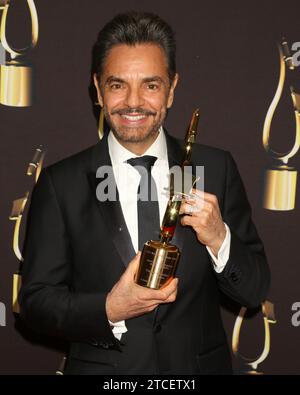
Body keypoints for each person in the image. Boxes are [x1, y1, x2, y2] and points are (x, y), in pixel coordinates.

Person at [19, 11, 270, 375]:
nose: (133, 102)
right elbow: (36, 303)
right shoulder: (62, 184)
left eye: (150, 85)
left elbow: (254, 289)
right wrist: (109, 308)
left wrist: (220, 239)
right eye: (118, 84)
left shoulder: (213, 168)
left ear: (171, 88)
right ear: (98, 88)